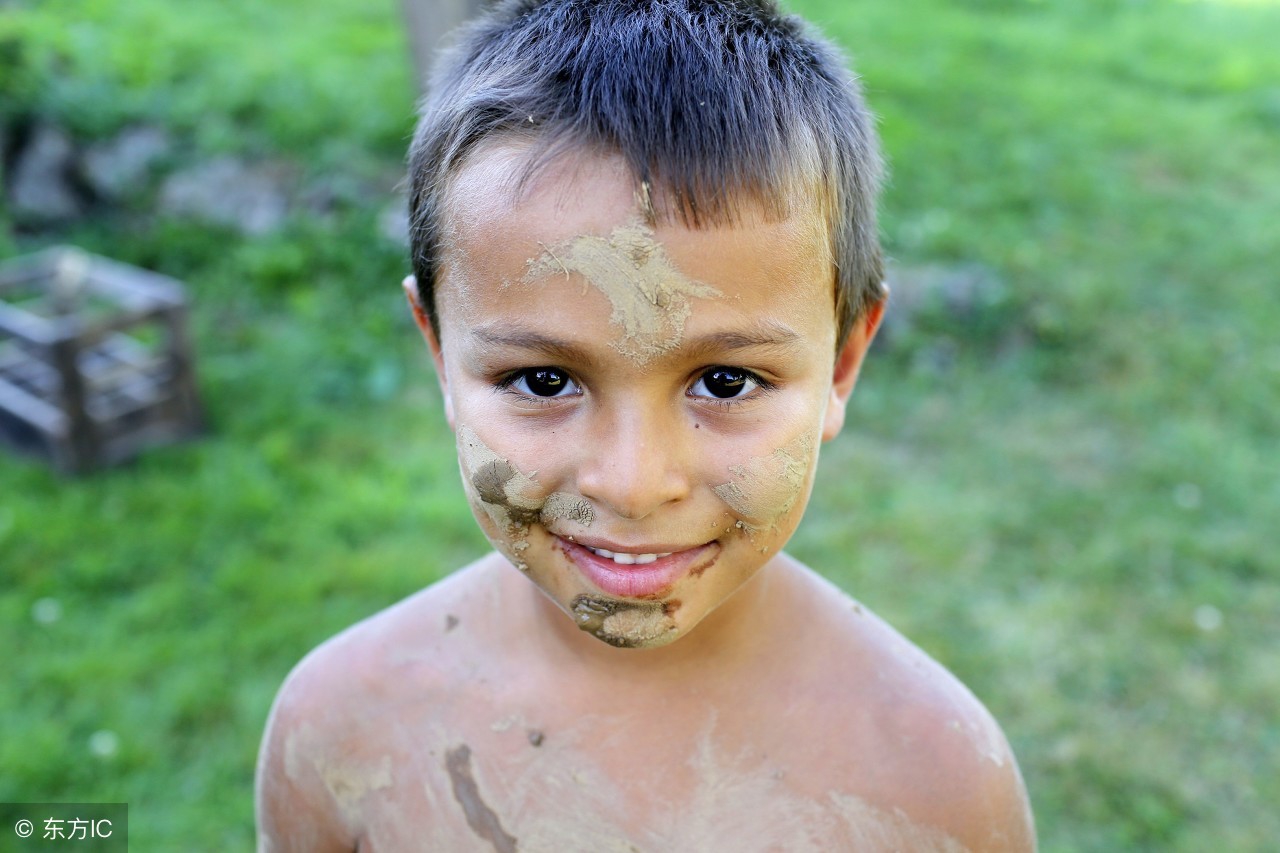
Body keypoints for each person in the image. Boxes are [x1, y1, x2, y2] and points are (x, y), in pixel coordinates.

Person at [255, 1, 1036, 849]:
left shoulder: (939, 782)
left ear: (843, 362)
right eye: (543, 379)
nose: (631, 483)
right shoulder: (335, 732)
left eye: (725, 381)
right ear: (440, 351)